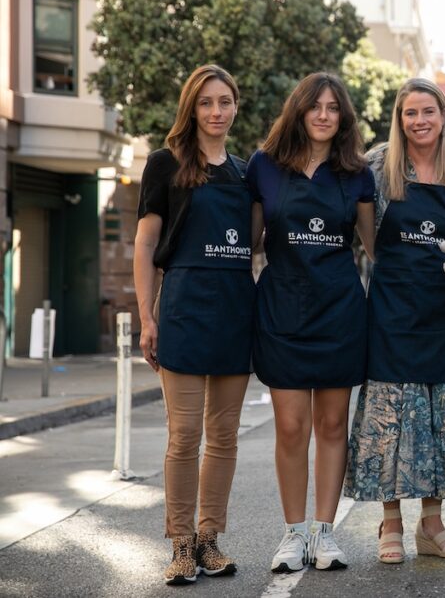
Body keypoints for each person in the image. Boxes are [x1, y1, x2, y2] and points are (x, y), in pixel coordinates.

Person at [343, 77, 445, 563]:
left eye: (429, 111)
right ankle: (390, 523)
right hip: (391, 311)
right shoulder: (376, 167)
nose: (420, 121)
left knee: (438, 420)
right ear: (399, 118)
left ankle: (432, 524)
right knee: (389, 420)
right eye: (411, 113)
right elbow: (367, 242)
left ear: (443, 116)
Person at [247, 73, 375, 573]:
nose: (324, 115)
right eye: (315, 106)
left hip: (340, 310)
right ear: (298, 111)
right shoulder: (264, 167)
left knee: (332, 424)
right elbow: (250, 245)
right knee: (290, 426)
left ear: (343, 118)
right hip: (280, 309)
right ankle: (293, 533)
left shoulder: (356, 173)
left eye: (333, 108)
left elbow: (375, 250)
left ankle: (324, 533)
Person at [134, 64, 255, 585]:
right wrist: (146, 315)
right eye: (206, 102)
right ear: (192, 107)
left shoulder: (246, 174)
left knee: (224, 436)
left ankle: (209, 541)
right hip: (182, 309)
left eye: (224, 101)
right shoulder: (165, 164)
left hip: (234, 311)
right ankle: (180, 545)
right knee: (184, 437)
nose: (216, 112)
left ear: (235, 107)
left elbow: (253, 247)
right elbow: (143, 243)